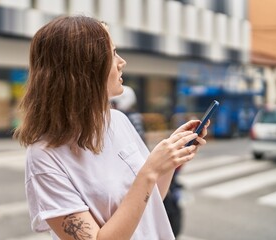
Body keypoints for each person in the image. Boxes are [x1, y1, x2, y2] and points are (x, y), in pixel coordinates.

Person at [14, 15, 209, 240]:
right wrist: (150, 170)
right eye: (113, 53)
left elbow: (150, 200)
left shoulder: (118, 120)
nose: (122, 61)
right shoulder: (44, 156)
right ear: (85, 68)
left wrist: (171, 158)